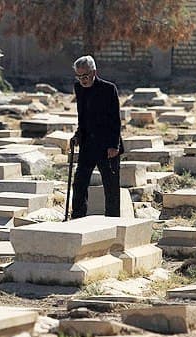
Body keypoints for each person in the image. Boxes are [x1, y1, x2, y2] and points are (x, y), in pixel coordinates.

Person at [70, 55, 123, 218]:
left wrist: (114, 146)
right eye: (78, 77)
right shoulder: (79, 88)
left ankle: (113, 222)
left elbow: (115, 119)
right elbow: (83, 117)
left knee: (111, 187)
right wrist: (77, 135)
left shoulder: (109, 89)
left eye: (85, 76)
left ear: (94, 72)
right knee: (79, 183)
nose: (82, 80)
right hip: (88, 144)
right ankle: (78, 218)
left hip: (108, 146)